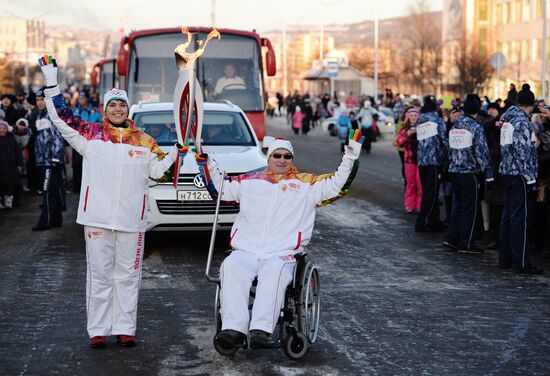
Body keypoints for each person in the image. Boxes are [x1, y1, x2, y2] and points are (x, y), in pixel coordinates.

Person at [39, 55, 184, 347]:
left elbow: (157, 173)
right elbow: (61, 116)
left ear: (128, 109)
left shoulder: (144, 142)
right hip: (98, 218)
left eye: (122, 105)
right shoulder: (90, 136)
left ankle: (125, 327)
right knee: (100, 276)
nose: (118, 109)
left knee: (128, 276)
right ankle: (98, 330)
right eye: (112, 105)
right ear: (105, 110)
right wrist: (51, 82)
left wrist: (174, 153)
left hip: (132, 220)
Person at [196, 130, 364, 350]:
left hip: (282, 253)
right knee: (231, 266)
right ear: (269, 158)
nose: (282, 160)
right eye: (277, 155)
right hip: (246, 250)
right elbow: (220, 189)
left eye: (287, 156)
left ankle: (261, 330)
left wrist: (350, 156)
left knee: (273, 273)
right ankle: (234, 329)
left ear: (292, 159)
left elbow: (338, 185)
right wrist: (205, 161)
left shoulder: (307, 185)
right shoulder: (248, 181)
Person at [498, 84, 543, 274]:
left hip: (508, 173)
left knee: (508, 217)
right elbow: (523, 153)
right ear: (530, 105)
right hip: (520, 176)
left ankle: (505, 258)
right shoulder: (522, 123)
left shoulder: (507, 120)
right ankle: (521, 262)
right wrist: (531, 178)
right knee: (521, 219)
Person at [443, 95, 493, 254]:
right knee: (469, 208)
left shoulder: (454, 127)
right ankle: (467, 243)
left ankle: (452, 238)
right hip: (470, 173)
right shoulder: (476, 128)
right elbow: (482, 153)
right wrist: (489, 175)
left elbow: (449, 151)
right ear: (477, 112)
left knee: (458, 206)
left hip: (454, 171)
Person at [32, 88, 66, 231]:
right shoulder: (39, 115)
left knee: (47, 191)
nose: (39, 103)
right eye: (37, 100)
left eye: (42, 100)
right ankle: (56, 219)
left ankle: (45, 221)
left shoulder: (53, 115)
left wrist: (56, 158)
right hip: (43, 159)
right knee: (53, 189)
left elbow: (58, 136)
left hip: (51, 160)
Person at [415, 97, 448, 232]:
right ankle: (421, 222)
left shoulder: (420, 121)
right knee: (431, 193)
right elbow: (444, 139)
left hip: (422, 161)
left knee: (429, 191)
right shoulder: (438, 121)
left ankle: (435, 221)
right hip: (434, 161)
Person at [71, 90, 102, 192]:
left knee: (90, 165)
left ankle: (91, 186)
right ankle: (77, 187)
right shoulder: (75, 111)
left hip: (91, 142)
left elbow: (100, 125)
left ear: (87, 99)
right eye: (79, 98)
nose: (81, 100)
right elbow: (71, 124)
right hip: (78, 141)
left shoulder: (94, 111)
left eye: (83, 98)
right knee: (77, 165)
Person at [395, 108, 422, 213]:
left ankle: (420, 205)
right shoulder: (405, 129)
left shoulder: (422, 128)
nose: (414, 117)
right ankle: (409, 205)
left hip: (420, 160)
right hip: (409, 160)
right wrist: (408, 134)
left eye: (415, 115)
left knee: (420, 184)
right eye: (411, 115)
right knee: (410, 183)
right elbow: (398, 141)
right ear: (408, 117)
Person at [0, 121, 23, 209]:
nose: (2, 130)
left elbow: (17, 152)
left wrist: (19, 164)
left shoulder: (11, 138)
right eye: (0, 128)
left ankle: (9, 201)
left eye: (4, 128)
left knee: (10, 184)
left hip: (10, 166)